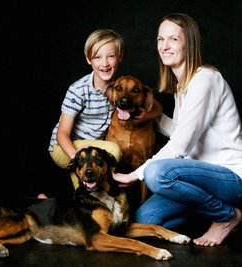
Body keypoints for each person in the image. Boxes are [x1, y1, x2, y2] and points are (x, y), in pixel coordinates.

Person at [111, 13, 242, 247]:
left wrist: (134, 174)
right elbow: (182, 131)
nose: (165, 46)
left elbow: (180, 146)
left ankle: (227, 216)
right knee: (143, 220)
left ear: (189, 43)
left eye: (173, 39)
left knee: (156, 173)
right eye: (161, 39)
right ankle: (208, 212)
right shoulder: (182, 85)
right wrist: (154, 116)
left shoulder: (205, 79)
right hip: (196, 182)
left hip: (231, 177)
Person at [48, 28, 161, 190]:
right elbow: (62, 133)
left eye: (111, 56)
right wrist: (77, 157)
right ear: (89, 59)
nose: (105, 63)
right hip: (64, 147)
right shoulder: (78, 90)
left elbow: (157, 106)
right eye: (97, 57)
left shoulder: (119, 86)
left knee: (92, 189)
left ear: (120, 57)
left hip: (93, 148)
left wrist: (146, 115)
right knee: (110, 155)